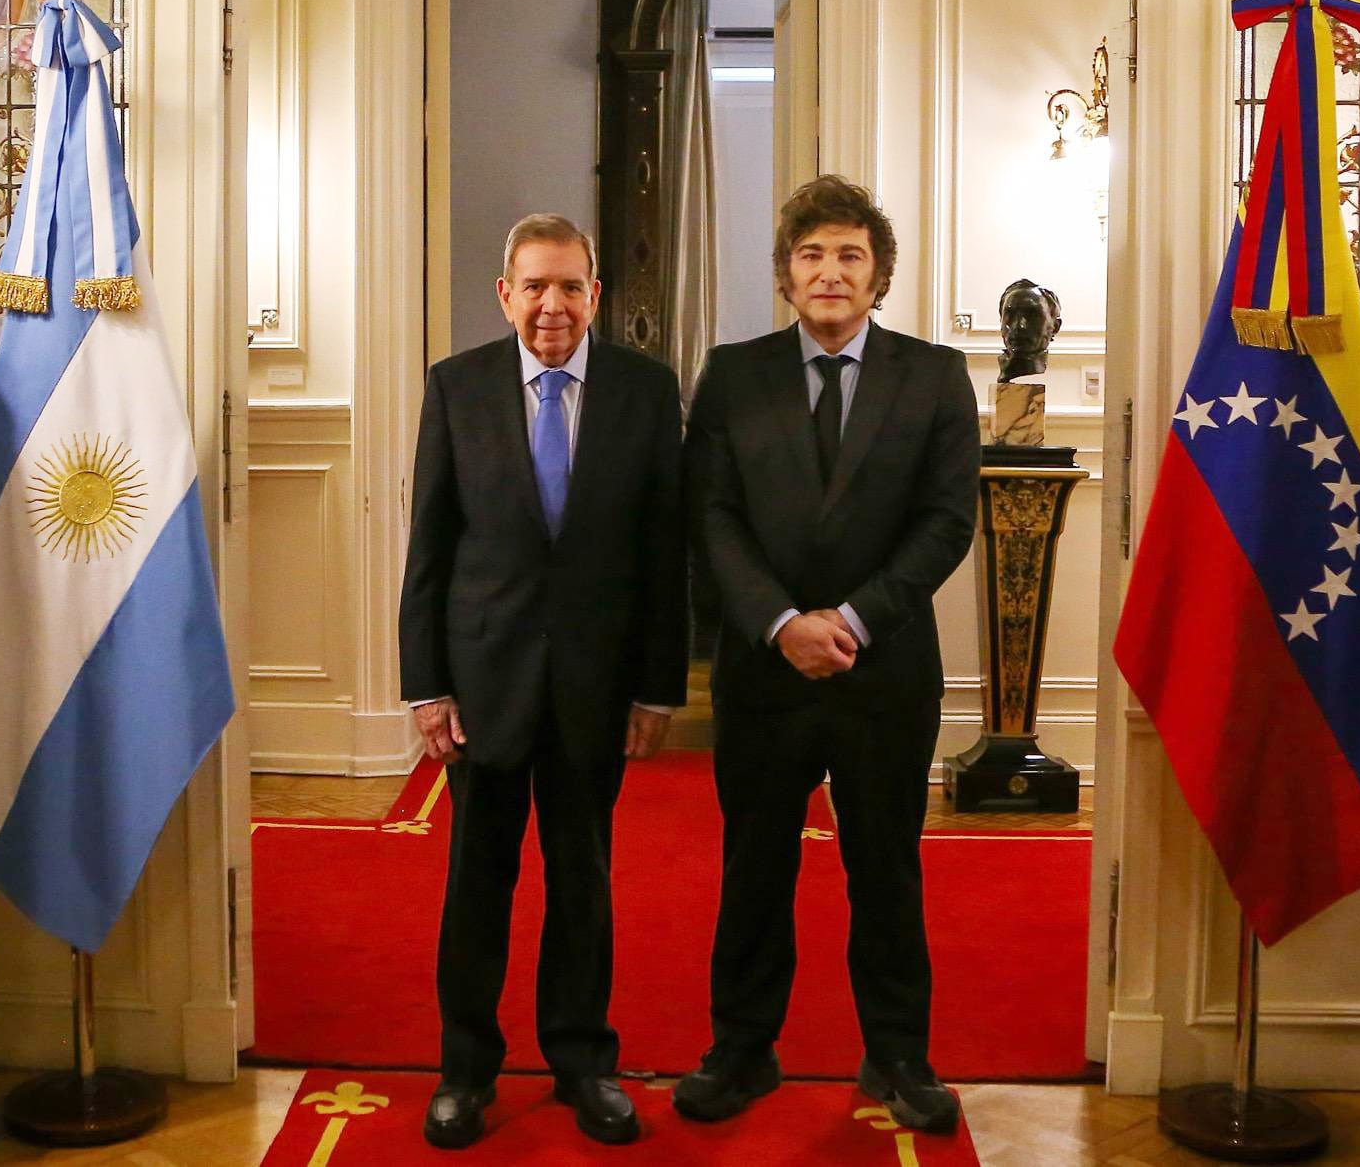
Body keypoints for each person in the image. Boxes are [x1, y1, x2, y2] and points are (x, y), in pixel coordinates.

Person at [675, 175, 980, 1132]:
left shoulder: (934, 375)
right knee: (753, 865)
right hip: (763, 670)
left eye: (850, 254)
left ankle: (896, 1053)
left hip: (881, 669)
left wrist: (848, 618)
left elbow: (943, 523)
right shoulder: (731, 373)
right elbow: (710, 516)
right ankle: (740, 1049)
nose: (830, 271)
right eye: (811, 254)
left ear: (878, 273)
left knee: (884, 866)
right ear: (785, 274)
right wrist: (779, 623)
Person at [399, 213, 687, 1149]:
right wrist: (425, 685)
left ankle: (581, 1063)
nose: (552, 305)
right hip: (482, 688)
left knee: (583, 882)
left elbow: (661, 551)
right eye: (535, 286)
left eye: (570, 286)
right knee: (475, 885)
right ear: (505, 294)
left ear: (594, 294)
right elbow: (430, 548)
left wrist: (656, 686)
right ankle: (464, 1071)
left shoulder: (645, 392)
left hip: (595, 689)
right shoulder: (457, 388)